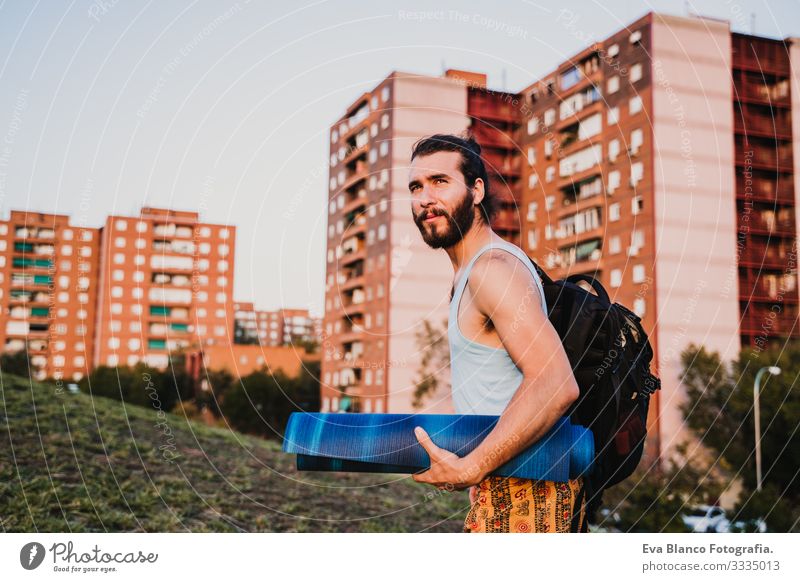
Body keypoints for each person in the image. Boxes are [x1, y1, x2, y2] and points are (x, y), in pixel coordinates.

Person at [407, 133, 587, 533]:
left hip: (530, 492)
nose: (424, 198)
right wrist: (484, 467)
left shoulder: (493, 271)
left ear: (476, 191)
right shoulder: (471, 273)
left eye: (440, 181)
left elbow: (556, 384)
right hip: (510, 482)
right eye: (416, 187)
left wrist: (474, 465)